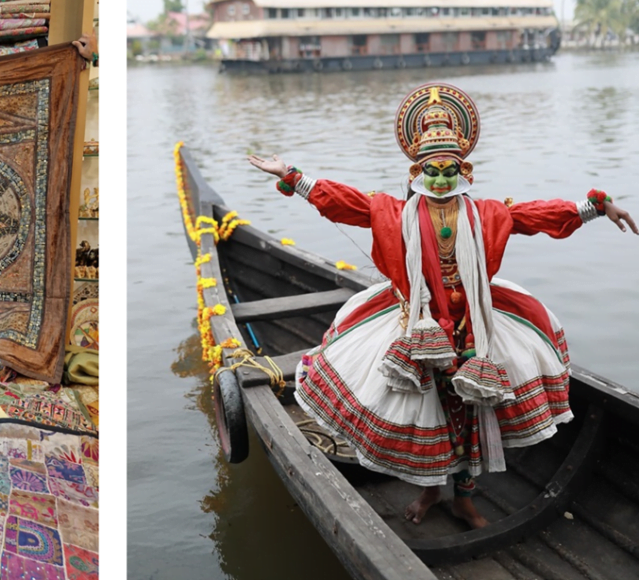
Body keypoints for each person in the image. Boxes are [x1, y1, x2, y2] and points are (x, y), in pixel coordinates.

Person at [248, 82, 637, 529]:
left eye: (448, 170)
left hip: (476, 329)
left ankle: (464, 500)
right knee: (427, 414)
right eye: (430, 171)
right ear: (417, 170)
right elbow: (345, 202)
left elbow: (536, 216)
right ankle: (432, 491)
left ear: (463, 169)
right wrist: (292, 175)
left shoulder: (487, 213)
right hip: (417, 328)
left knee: (474, 415)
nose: (439, 180)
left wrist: (596, 207)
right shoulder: (393, 212)